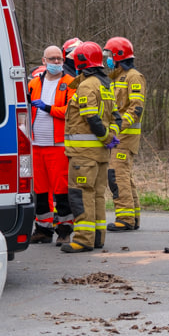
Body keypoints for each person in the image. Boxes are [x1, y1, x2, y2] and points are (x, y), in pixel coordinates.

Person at [61, 41, 121, 254]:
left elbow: (91, 118)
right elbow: (116, 116)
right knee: (96, 195)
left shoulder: (87, 86)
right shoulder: (105, 84)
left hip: (84, 155)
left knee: (81, 193)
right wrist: (111, 137)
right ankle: (97, 237)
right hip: (101, 154)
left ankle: (83, 239)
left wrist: (106, 137)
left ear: (80, 62)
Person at [27, 46, 76, 246]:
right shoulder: (33, 84)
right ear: (44, 60)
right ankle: (43, 229)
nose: (56, 62)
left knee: (61, 189)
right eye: (52, 59)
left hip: (58, 144)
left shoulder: (70, 83)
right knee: (40, 190)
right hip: (36, 144)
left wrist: (49, 108)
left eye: (59, 59)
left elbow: (72, 111)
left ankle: (64, 230)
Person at [104, 37, 147, 232]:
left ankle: (125, 218)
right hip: (116, 136)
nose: (108, 60)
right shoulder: (114, 77)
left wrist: (117, 127)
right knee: (124, 176)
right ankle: (133, 217)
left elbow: (136, 108)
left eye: (110, 56)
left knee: (116, 174)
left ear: (119, 56)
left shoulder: (133, 77)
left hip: (124, 136)